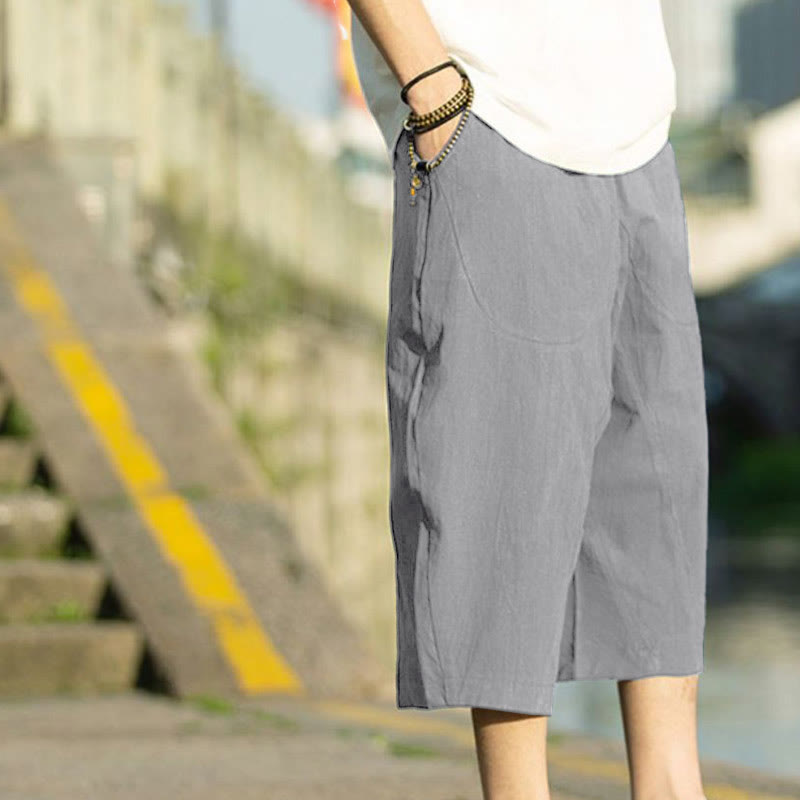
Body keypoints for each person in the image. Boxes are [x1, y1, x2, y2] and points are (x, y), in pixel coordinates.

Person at [347, 2, 710, 798]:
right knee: (504, 521)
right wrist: (431, 87)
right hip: (495, 113)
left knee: (660, 535)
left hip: (637, 129)